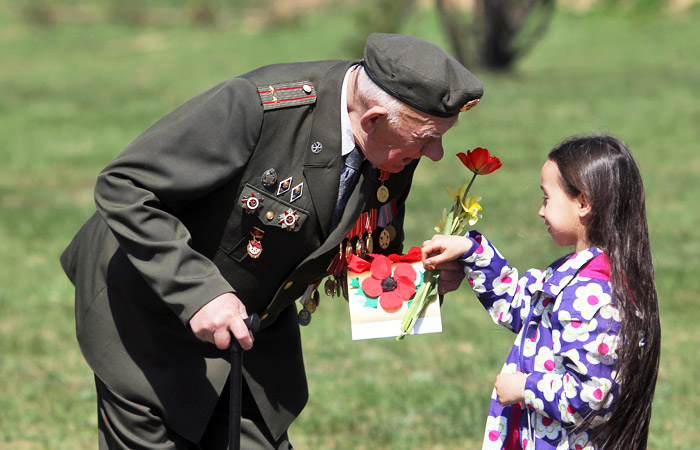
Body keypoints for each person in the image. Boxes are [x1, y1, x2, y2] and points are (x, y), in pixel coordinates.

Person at [60, 33, 484, 449]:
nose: (436, 154)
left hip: (249, 325)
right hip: (147, 307)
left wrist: (422, 282)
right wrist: (198, 293)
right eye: (427, 138)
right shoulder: (259, 106)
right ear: (372, 120)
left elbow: (368, 255)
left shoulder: (392, 139)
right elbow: (124, 185)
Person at [421, 135, 660, 449]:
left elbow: (592, 397)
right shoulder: (575, 273)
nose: (540, 211)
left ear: (584, 203)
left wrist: (525, 387)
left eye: (547, 198)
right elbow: (519, 307)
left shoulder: (594, 294)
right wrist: (471, 252)